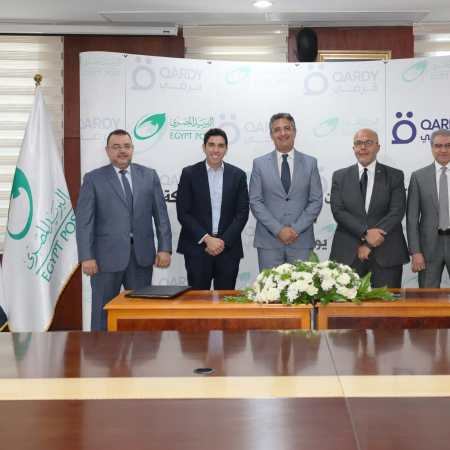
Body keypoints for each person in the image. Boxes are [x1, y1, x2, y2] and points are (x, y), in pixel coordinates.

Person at [76, 129, 172, 330]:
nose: (122, 151)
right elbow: (84, 222)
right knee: (102, 313)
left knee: (140, 314)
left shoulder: (149, 176)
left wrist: (165, 248)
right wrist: (86, 256)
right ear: (107, 150)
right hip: (104, 260)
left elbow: (161, 216)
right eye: (116, 147)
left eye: (126, 146)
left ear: (132, 149)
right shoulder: (93, 179)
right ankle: (100, 349)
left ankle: (140, 350)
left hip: (141, 257)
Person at [330, 128, 409, 288]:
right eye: (358, 143)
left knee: (386, 303)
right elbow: (338, 211)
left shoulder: (395, 175)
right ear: (353, 148)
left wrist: (369, 244)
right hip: (348, 252)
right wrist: (365, 233)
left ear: (378, 147)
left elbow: (397, 211)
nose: (363, 147)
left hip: (387, 251)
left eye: (368, 142)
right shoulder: (340, 176)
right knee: (345, 304)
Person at [176, 128, 249, 289]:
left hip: (228, 249)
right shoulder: (189, 173)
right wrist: (207, 239)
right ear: (204, 147)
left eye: (221, 145)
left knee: (225, 300)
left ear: (226, 149)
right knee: (198, 300)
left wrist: (223, 242)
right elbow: (183, 212)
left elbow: (242, 213)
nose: (216, 150)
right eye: (211, 145)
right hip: (197, 249)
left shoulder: (238, 175)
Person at [249, 113, 322, 270]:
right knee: (269, 286)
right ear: (271, 135)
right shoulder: (259, 164)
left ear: (294, 131)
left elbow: (316, 201)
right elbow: (255, 201)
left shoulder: (310, 163)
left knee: (303, 286)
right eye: (277, 130)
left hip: (301, 241)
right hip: (269, 242)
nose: (282, 133)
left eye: (287, 128)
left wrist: (295, 229)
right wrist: (278, 230)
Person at [407, 129, 450, 287]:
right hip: (428, 248)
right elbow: (412, 219)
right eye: (438, 146)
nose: (443, 150)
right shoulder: (418, 177)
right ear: (431, 147)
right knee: (428, 295)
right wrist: (415, 251)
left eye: (448, 145)